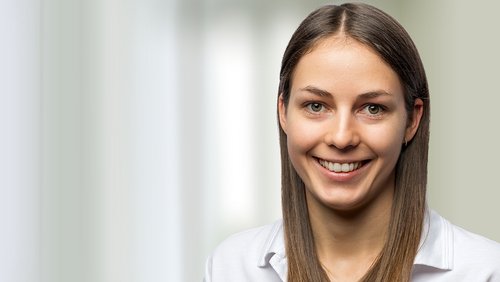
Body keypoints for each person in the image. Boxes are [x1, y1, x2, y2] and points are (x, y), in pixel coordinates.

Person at [203, 3, 500, 282]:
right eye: (316, 106)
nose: (342, 137)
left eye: (373, 108)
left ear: (411, 120)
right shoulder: (231, 266)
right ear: (283, 111)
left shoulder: (484, 270)